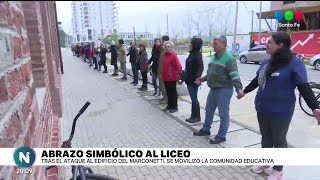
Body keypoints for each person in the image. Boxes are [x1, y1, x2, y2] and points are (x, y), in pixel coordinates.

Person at [237, 31, 320, 180]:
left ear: (280, 45)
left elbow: (304, 87)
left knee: (279, 140)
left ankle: (278, 169)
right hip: (262, 107)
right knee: (266, 137)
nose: (266, 44)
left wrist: (314, 107)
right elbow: (258, 79)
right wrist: (245, 91)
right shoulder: (267, 61)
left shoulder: (295, 63)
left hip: (281, 111)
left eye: (269, 42)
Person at [193, 35, 243, 144]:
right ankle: (206, 129)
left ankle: (221, 135)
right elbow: (212, 73)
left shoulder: (229, 58)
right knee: (209, 109)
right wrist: (203, 79)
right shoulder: (215, 57)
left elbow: (235, 75)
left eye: (216, 44)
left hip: (224, 90)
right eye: (213, 43)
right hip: (214, 89)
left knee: (223, 113)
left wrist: (239, 89)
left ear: (224, 44)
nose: (213, 45)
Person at [184, 36, 204, 123]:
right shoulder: (192, 53)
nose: (189, 44)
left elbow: (200, 67)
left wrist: (197, 78)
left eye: (190, 43)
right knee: (193, 99)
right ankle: (193, 115)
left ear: (194, 45)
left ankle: (196, 117)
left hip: (193, 81)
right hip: (189, 79)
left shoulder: (197, 54)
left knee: (194, 99)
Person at [162, 41, 182, 113]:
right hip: (165, 77)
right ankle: (169, 105)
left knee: (173, 93)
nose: (167, 48)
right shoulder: (164, 55)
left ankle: (175, 107)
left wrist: (174, 73)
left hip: (172, 77)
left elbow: (179, 67)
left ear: (171, 48)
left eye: (168, 46)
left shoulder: (173, 56)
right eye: (165, 47)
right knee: (168, 92)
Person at [158, 35, 170, 103]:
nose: (161, 42)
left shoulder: (167, 49)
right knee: (162, 85)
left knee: (164, 86)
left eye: (162, 40)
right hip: (160, 69)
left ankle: (166, 98)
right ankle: (164, 97)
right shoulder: (162, 48)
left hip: (164, 71)